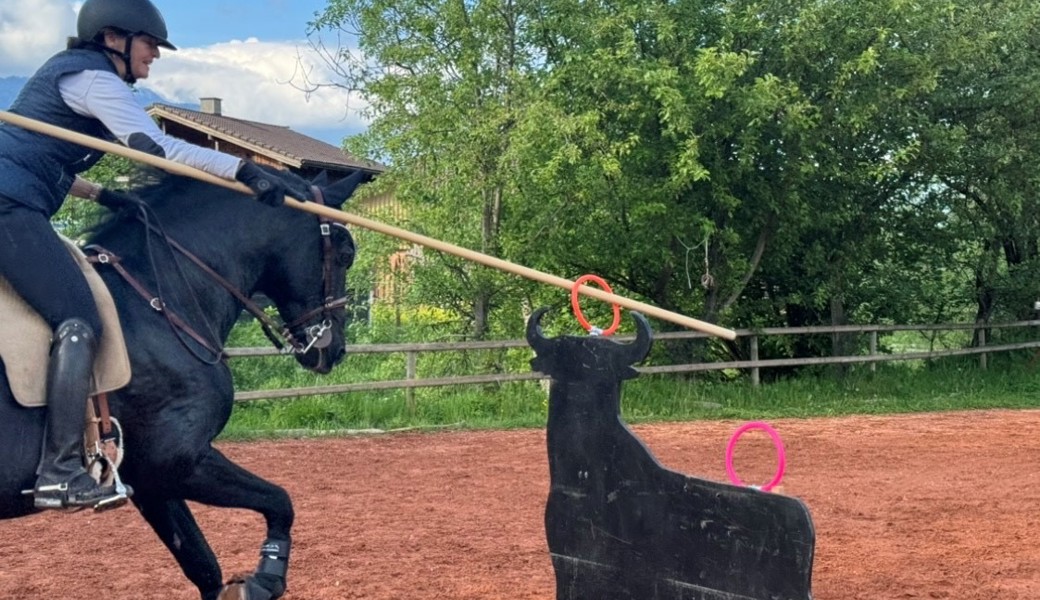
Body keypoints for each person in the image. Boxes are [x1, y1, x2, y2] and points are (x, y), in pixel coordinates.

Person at [0, 0, 309, 511]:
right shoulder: (94, 81)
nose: (156, 55)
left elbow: (42, 162)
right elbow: (155, 148)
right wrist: (242, 169)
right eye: (149, 44)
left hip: (14, 202)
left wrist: (104, 195)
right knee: (78, 321)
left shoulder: (72, 81)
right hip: (9, 210)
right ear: (114, 39)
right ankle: (59, 469)